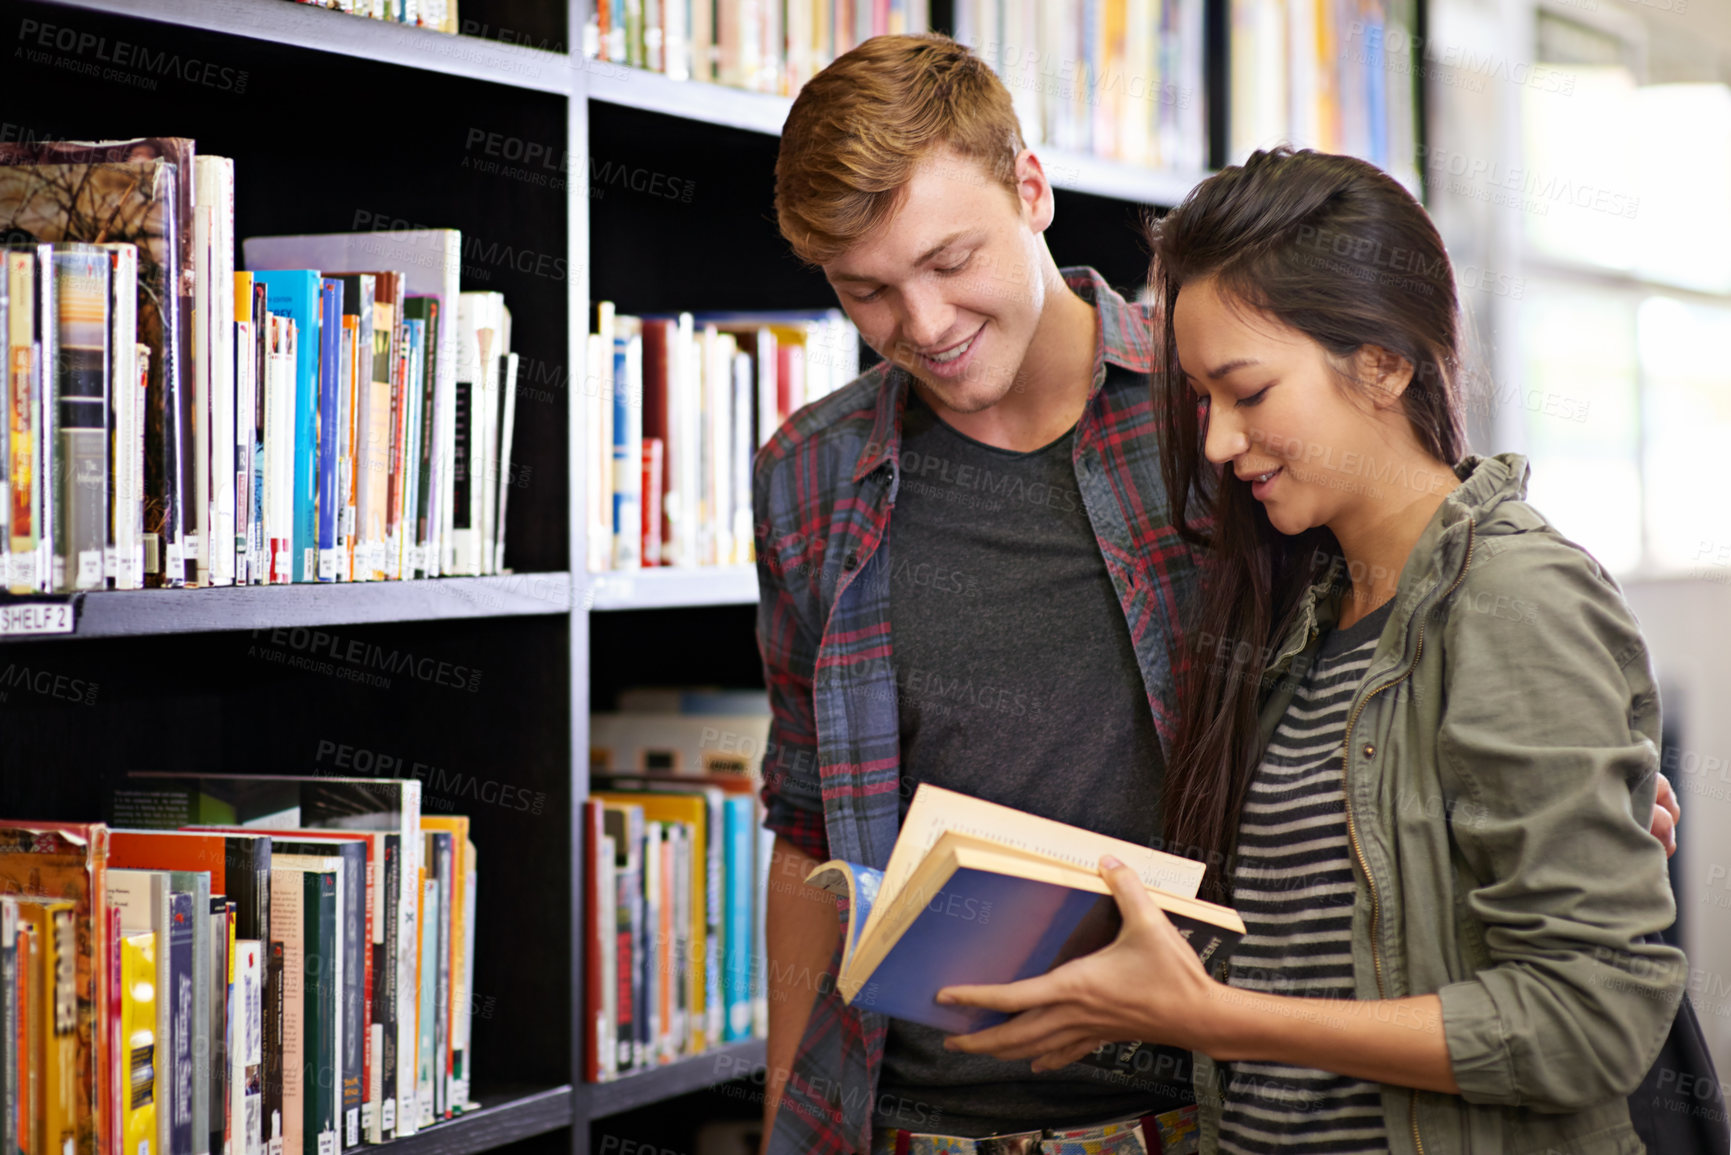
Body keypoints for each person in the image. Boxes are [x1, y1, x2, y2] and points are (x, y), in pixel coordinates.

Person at [935, 146, 1703, 1154]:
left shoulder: (1517, 598)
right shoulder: (1311, 619)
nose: (1214, 443)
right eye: (1203, 398)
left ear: (1383, 361)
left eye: (1247, 392)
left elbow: (1587, 1024)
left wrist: (1214, 1019)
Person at [754, 32, 1204, 1155]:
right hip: (916, 1124)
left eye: (952, 260)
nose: (925, 326)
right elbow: (807, 833)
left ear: (1032, 189)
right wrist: (785, 1129)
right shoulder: (807, 473)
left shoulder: (1209, 416)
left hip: (1202, 1115)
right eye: (868, 292)